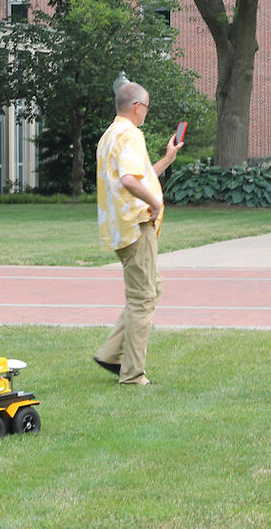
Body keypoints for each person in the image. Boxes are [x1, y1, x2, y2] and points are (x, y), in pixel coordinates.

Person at [93, 82, 183, 385]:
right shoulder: (130, 134)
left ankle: (109, 353)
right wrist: (155, 201)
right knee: (143, 298)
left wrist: (168, 158)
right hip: (136, 226)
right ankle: (132, 374)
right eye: (146, 107)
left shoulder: (110, 135)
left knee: (149, 289)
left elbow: (136, 177)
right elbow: (131, 181)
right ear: (136, 107)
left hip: (120, 226)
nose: (146, 113)